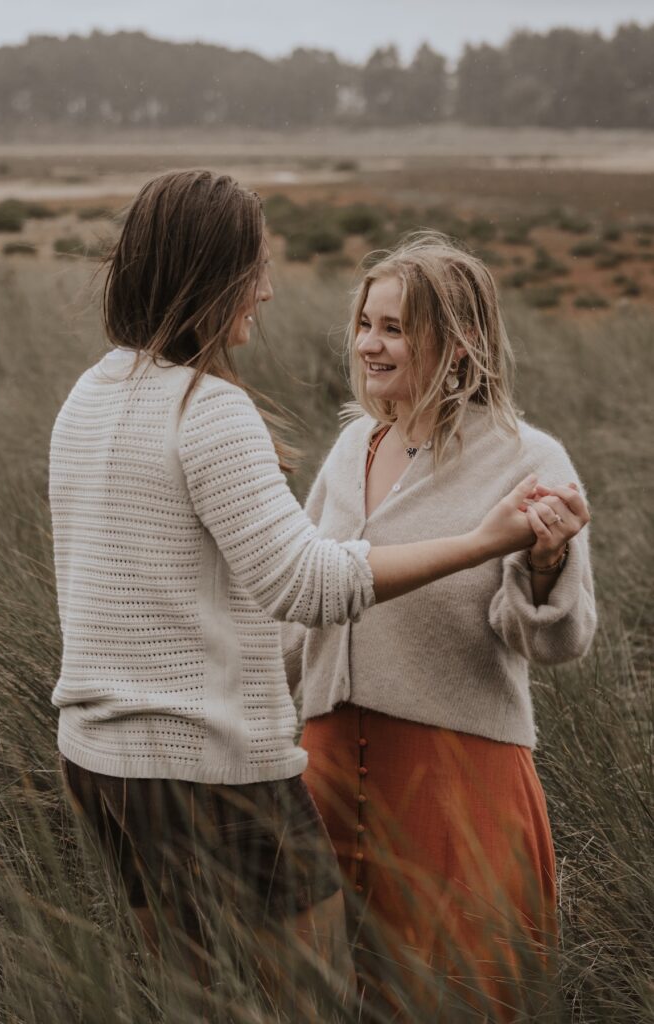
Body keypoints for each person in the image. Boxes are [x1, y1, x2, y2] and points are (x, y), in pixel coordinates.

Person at [49, 172, 542, 1005]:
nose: (268, 291)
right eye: (255, 269)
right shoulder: (205, 409)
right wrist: (482, 541)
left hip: (99, 763)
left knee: (193, 1002)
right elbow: (309, 585)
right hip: (208, 768)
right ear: (209, 275)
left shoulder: (90, 394)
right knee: (311, 1000)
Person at [283, 232, 596, 1019]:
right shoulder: (356, 442)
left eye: (393, 328)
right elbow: (299, 602)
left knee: (455, 996)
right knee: (328, 994)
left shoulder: (528, 458)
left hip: (453, 782)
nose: (367, 344)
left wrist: (546, 565)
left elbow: (559, 640)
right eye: (364, 323)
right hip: (323, 770)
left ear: (456, 344)